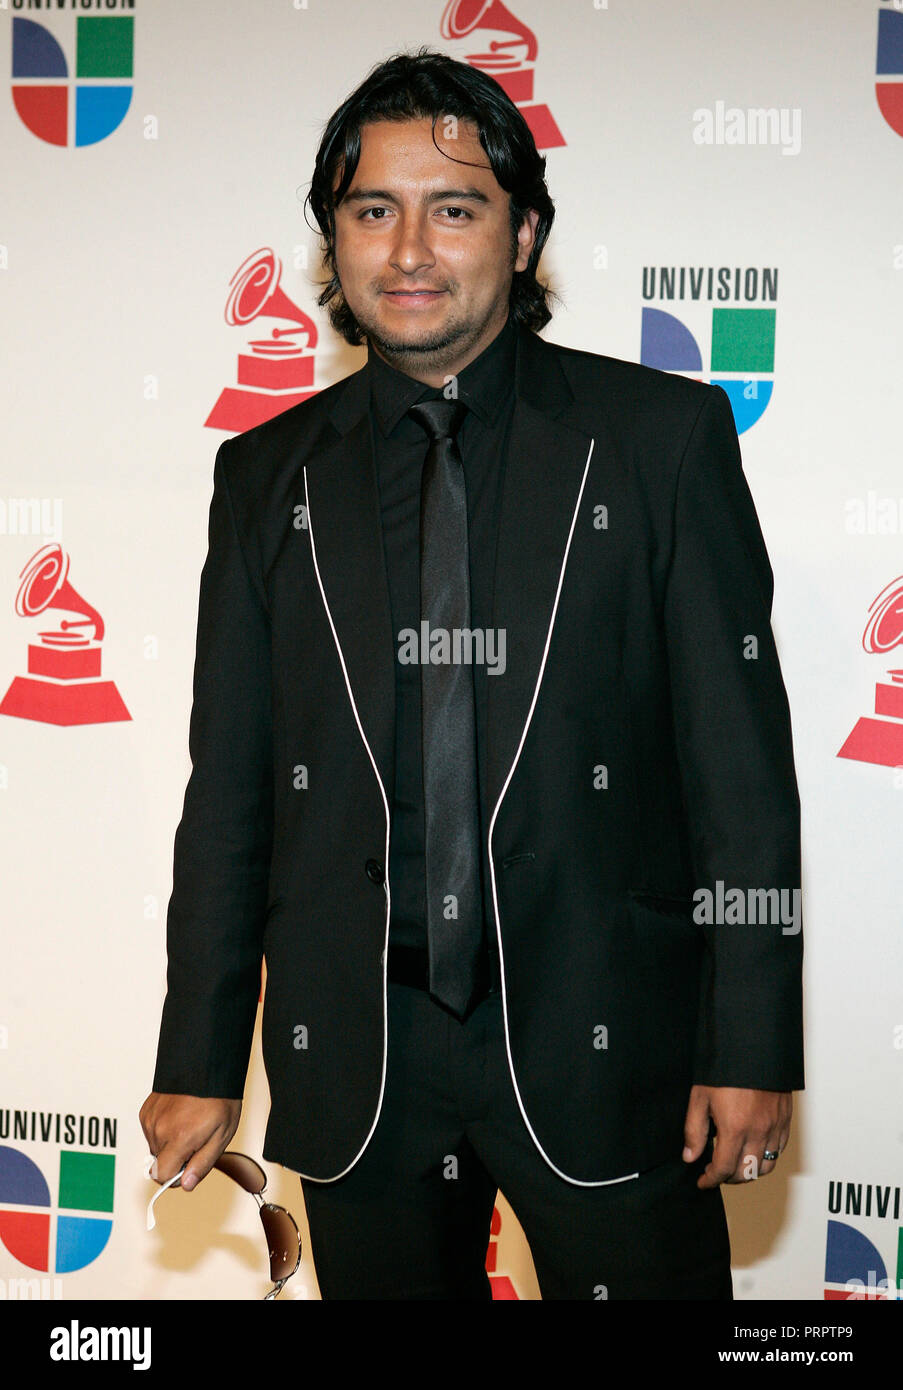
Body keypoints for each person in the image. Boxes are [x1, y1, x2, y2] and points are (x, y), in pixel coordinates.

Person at [140, 47, 803, 1300]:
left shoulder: (660, 443)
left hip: (614, 1053)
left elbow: (740, 777)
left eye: (454, 208)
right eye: (370, 211)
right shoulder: (263, 476)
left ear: (524, 230)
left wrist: (753, 1038)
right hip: (360, 1064)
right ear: (332, 240)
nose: (408, 252)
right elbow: (228, 788)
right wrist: (202, 1053)